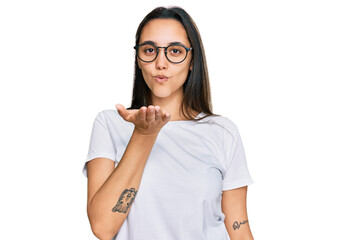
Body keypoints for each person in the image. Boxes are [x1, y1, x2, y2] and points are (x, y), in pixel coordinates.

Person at [83, 6, 254, 240]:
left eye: (175, 51)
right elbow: (103, 227)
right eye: (150, 50)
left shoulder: (223, 133)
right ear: (138, 59)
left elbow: (240, 231)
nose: (160, 63)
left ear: (192, 60)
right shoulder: (110, 124)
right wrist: (143, 135)